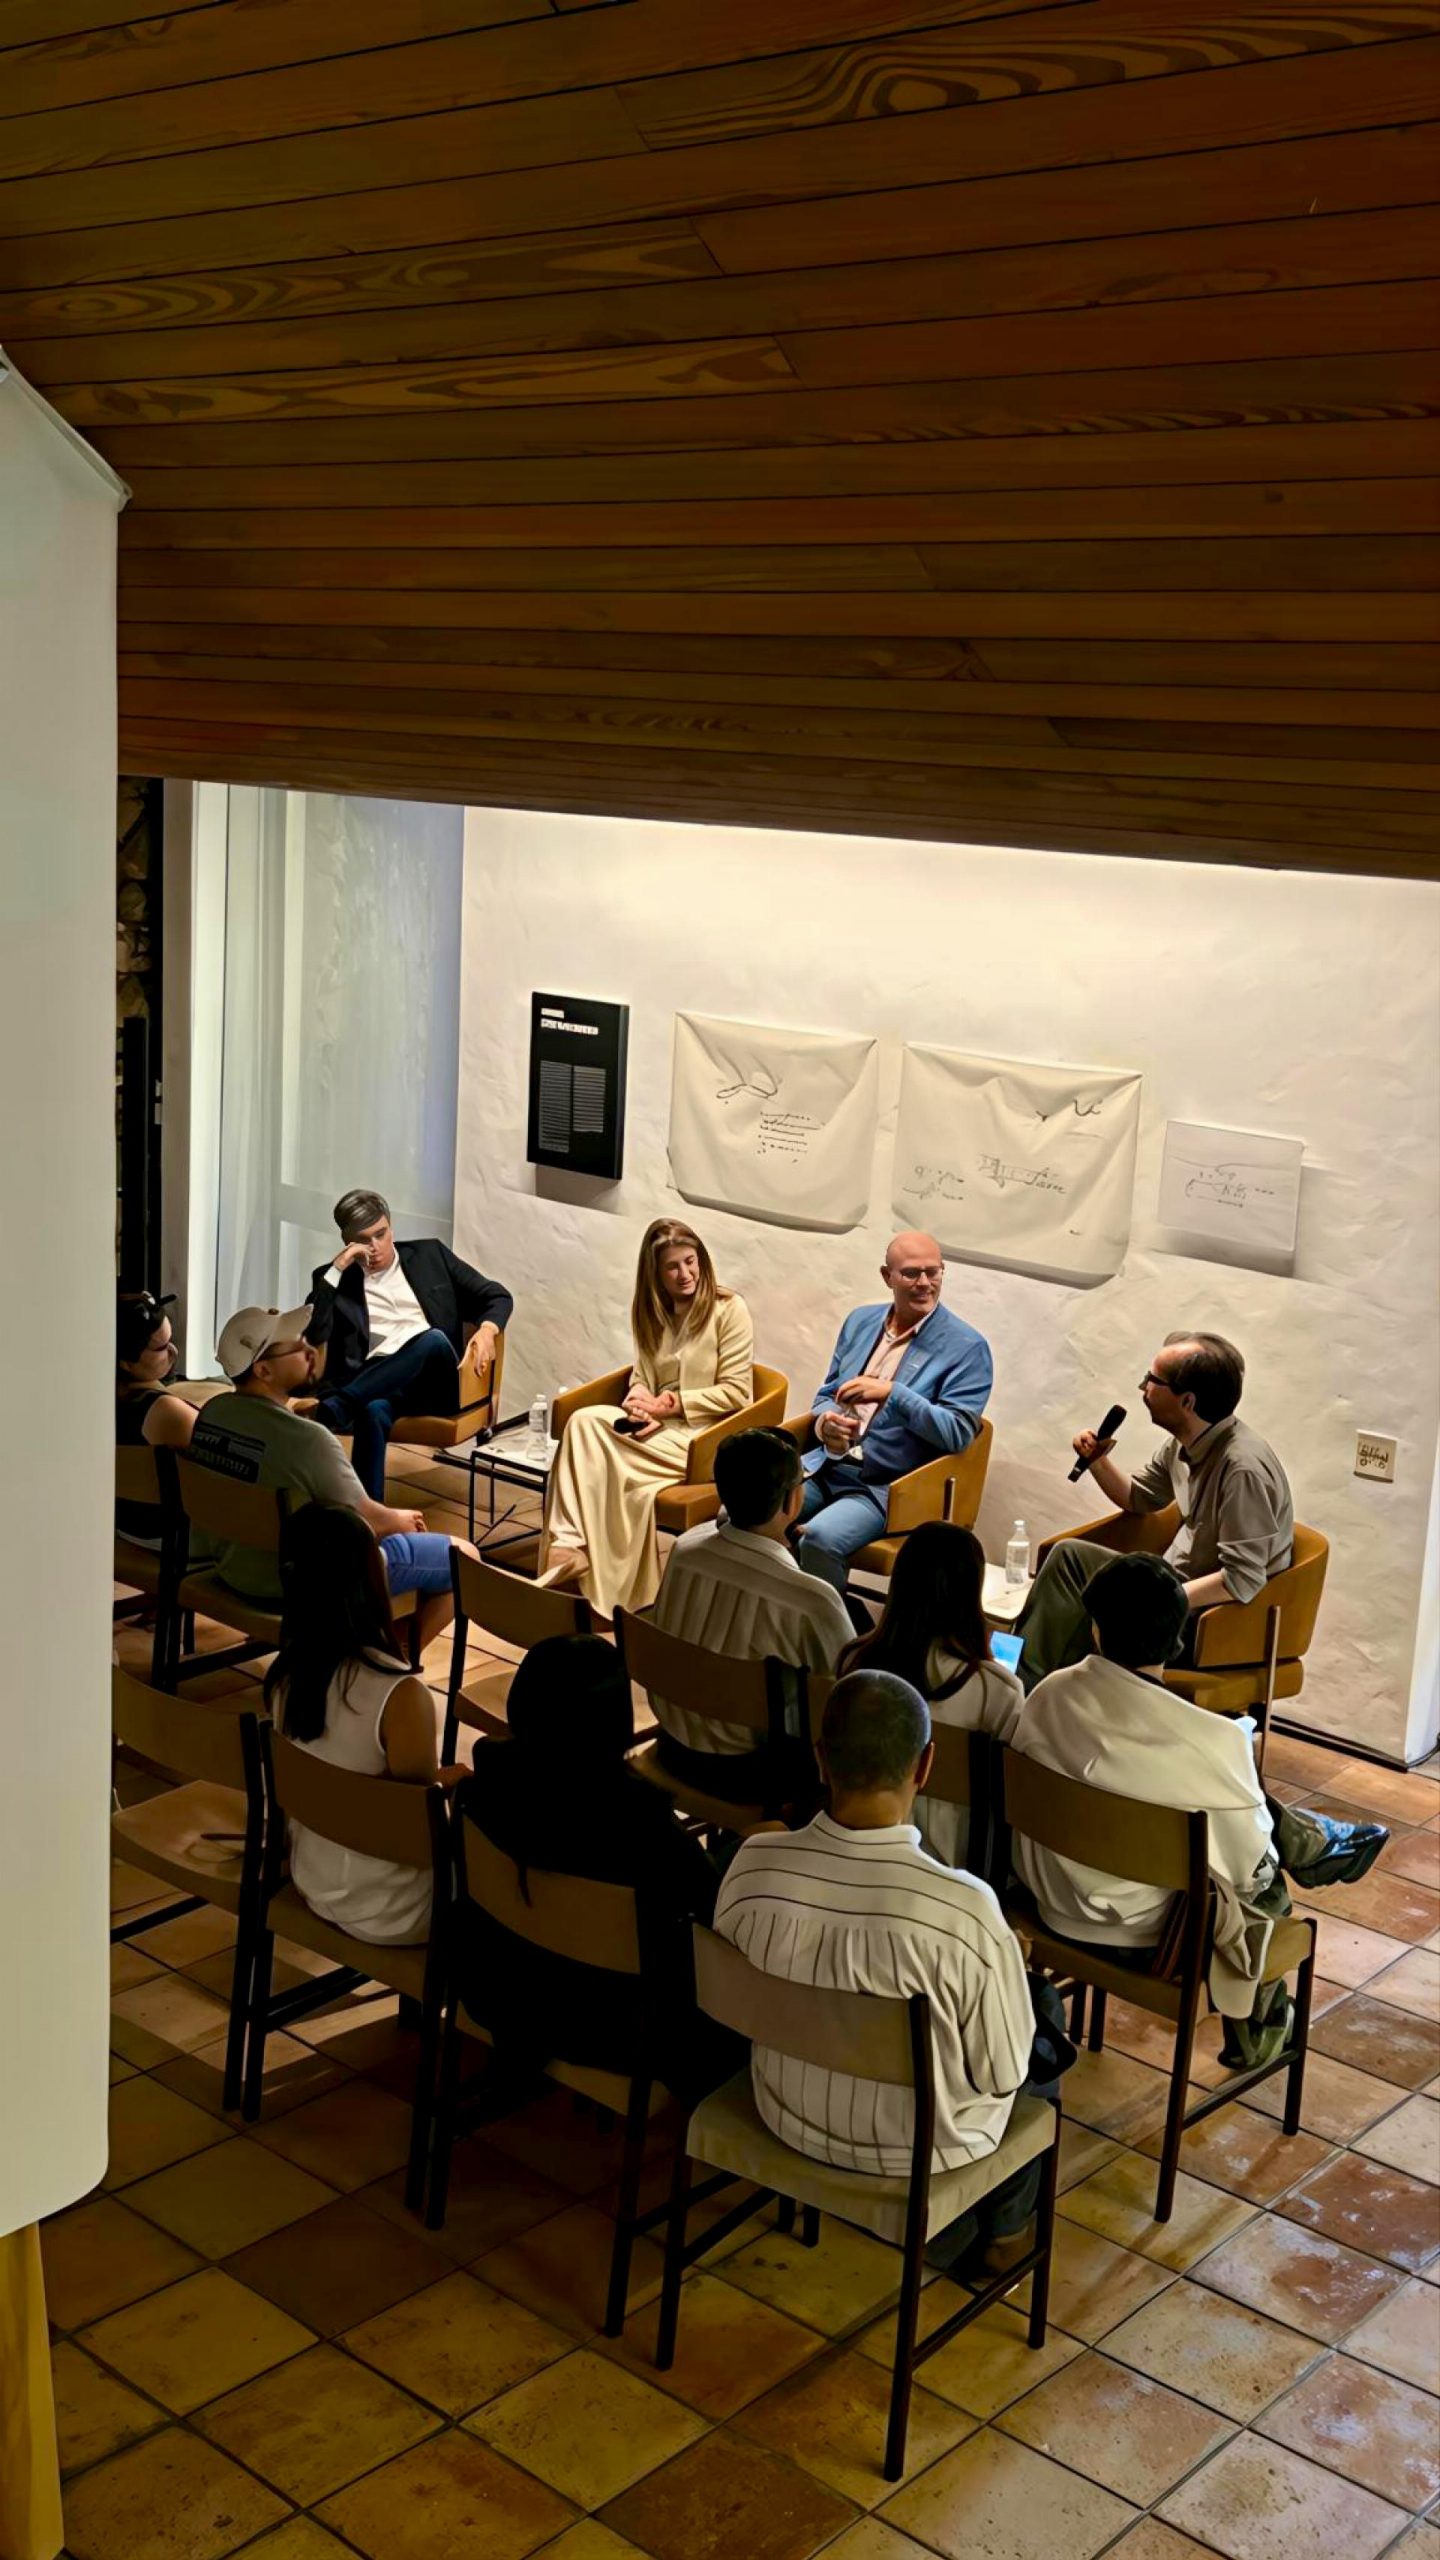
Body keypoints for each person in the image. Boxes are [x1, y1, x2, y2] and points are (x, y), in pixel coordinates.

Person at [1012, 1552, 1387, 2066]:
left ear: (1095, 1629)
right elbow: (1250, 1866)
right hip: (1149, 1939)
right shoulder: (1214, 1741)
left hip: (1048, 1903)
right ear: (1178, 1641)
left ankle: (1310, 1845)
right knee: (1264, 1880)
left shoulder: (1045, 1697)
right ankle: (1260, 2021)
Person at [715, 1671, 1035, 2185]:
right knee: (1039, 2026)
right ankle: (987, 2222)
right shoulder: (967, 1912)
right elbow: (1004, 2074)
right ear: (926, 1765)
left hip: (784, 2112)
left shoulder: (751, 1867)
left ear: (821, 1759)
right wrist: (1007, 1969)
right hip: (922, 2152)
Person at [455, 1637, 739, 2102]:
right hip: (614, 2029)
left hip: (503, 1990)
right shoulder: (647, 1834)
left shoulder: (481, 1789)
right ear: (616, 1723)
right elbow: (714, 1920)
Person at [188, 1303, 477, 1655]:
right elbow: (366, 1522)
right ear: (263, 1370)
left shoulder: (212, 1414)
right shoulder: (307, 1439)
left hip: (234, 1570)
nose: (308, 1350)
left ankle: (365, 1653)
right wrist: (400, 1519)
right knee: (465, 1558)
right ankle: (387, 1662)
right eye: (295, 1346)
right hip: (304, 1585)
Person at [1015, 1330, 1293, 1690]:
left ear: (1187, 1401)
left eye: (1153, 1380)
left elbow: (1243, 1578)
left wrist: (1161, 1602)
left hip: (1205, 1612)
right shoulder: (1185, 1443)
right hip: (1168, 1582)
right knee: (1069, 1557)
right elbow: (1141, 1497)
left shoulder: (1242, 1469)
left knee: (1096, 1610)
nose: (1143, 1387)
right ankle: (1026, 1685)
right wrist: (1096, 1461)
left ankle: (1043, 1693)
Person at [541, 1218, 754, 1618]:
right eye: (672, 1267)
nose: (685, 1274)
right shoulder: (651, 1313)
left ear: (702, 1260)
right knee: (583, 1422)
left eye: (690, 1262)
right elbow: (642, 1375)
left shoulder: (729, 1309)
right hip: (658, 1430)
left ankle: (596, 1576)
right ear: (655, 1273)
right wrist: (638, 1400)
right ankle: (568, 1546)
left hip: (703, 1438)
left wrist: (670, 1405)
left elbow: (737, 1392)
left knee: (601, 1462)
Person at [265, 1506, 458, 1945]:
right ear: (370, 1581)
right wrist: (452, 1783)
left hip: (314, 1878)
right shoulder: (400, 1695)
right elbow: (413, 1817)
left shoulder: (284, 1675)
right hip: (395, 1910)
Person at [649, 1427, 853, 1801]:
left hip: (671, 1744)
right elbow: (846, 1695)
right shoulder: (811, 1599)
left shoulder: (683, 1549)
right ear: (793, 1501)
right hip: (752, 1772)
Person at [795, 1232, 992, 1596]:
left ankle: (828, 1630)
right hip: (826, 1464)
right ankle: (776, 1618)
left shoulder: (967, 1347)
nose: (924, 1283)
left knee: (819, 1540)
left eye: (933, 1272)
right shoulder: (860, 1321)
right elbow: (826, 1394)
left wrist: (893, 1395)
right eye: (911, 1273)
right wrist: (825, 1424)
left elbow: (959, 1433)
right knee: (742, 1514)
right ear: (888, 1277)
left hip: (886, 1485)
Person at [306, 1188, 513, 1499]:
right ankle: (367, 1514)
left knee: (432, 1340)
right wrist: (338, 1268)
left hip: (437, 1380)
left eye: (381, 1234)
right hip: (381, 1382)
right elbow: (315, 1333)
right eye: (363, 1240)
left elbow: (497, 1296)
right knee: (373, 1411)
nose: (375, 1247)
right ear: (348, 1242)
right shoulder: (334, 1279)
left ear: (391, 1227)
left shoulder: (430, 1255)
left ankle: (340, 1406)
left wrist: (486, 1330)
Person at [839, 1521, 1023, 1870]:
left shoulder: (855, 1662)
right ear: (971, 1596)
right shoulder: (997, 1691)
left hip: (864, 1846)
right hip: (956, 1863)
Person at [115, 1289, 196, 1545]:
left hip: (126, 1528)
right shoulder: (163, 1410)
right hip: (168, 1539)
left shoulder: (111, 1401)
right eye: (160, 1348)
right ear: (126, 1362)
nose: (173, 1351)